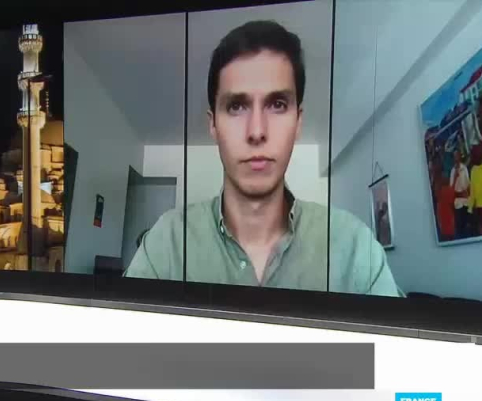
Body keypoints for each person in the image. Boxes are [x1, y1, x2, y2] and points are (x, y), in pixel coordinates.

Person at [125, 20, 401, 297]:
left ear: (298, 122)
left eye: (277, 104)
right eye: (236, 106)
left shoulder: (356, 248)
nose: (257, 131)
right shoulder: (166, 244)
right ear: (213, 124)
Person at [449, 149, 470, 238]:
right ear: (453, 158)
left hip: (466, 202)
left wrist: (468, 194)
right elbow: (451, 190)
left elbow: (468, 184)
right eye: (455, 156)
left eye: (457, 155)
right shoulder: (452, 171)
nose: (456, 157)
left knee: (467, 226)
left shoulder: (464, 168)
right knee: (460, 228)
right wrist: (455, 177)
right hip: (458, 204)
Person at [468, 144, 482, 235]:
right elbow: (472, 190)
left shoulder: (473, 170)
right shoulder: (473, 170)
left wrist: (470, 208)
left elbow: (472, 190)